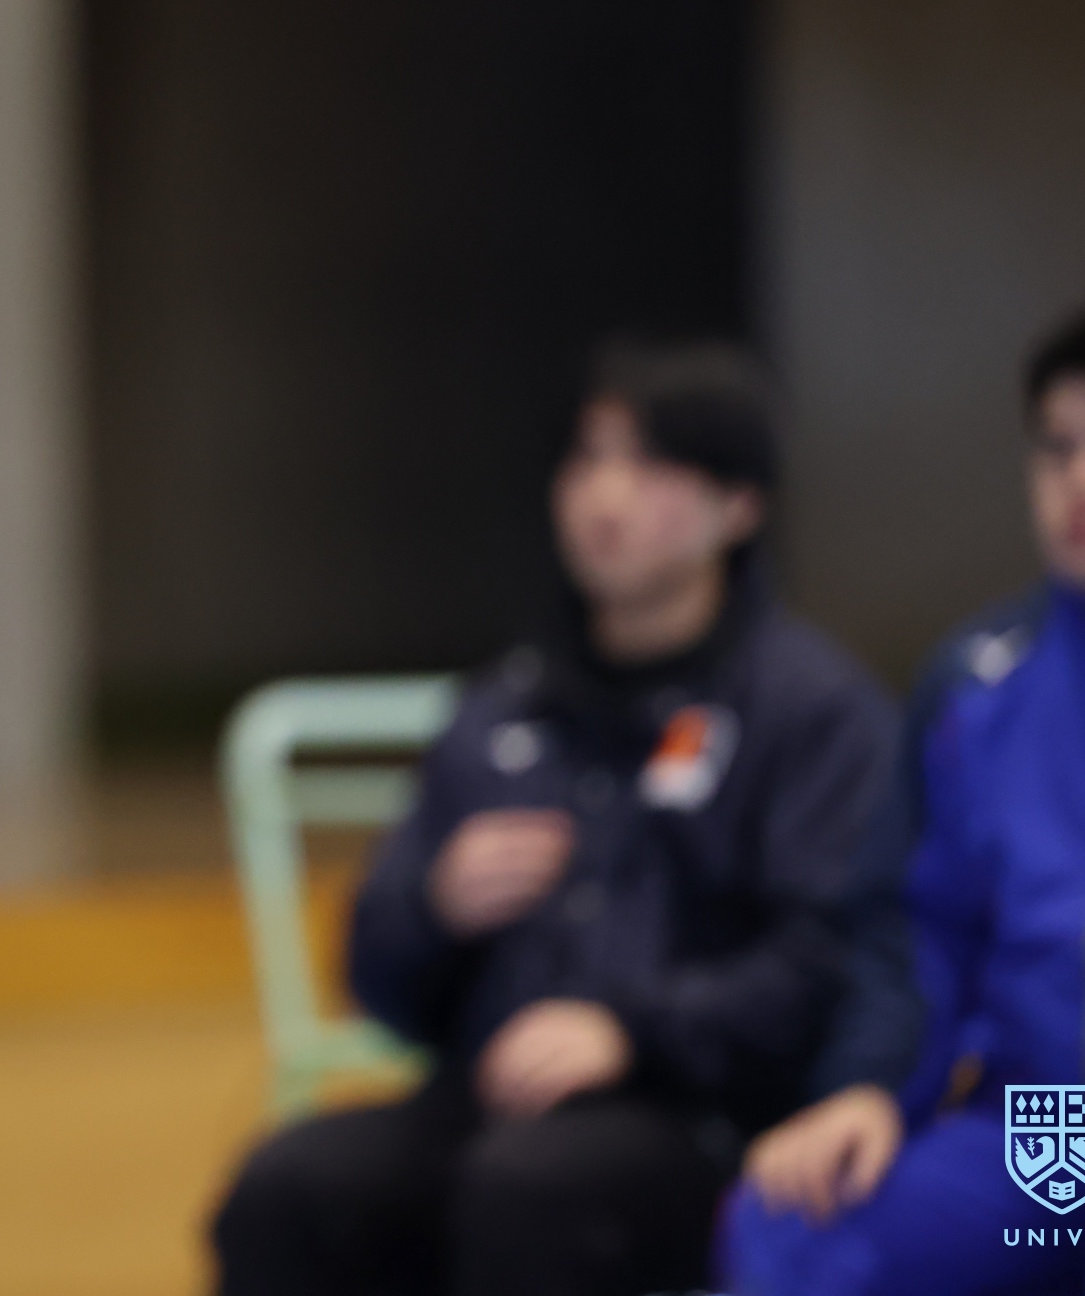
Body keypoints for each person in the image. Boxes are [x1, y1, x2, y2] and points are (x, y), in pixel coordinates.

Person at [211, 339, 900, 1296]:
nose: (604, 497)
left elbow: (827, 960)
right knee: (291, 1189)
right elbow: (375, 974)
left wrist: (633, 1030)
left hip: (703, 1115)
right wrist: (435, 908)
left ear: (739, 506)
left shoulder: (811, 711)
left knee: (529, 1194)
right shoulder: (504, 706)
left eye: (652, 466)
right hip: (491, 1102)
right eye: (586, 459)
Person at [726, 302, 1085, 1295]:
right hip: (1053, 1128)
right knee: (794, 1227)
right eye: (1056, 448)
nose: (1082, 480)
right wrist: (868, 1087)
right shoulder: (975, 678)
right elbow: (909, 930)